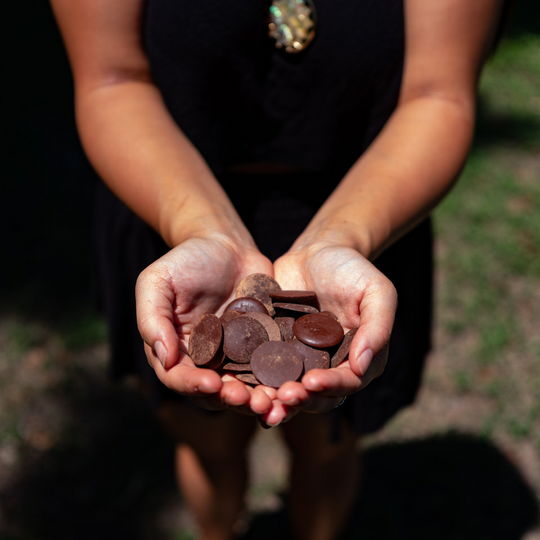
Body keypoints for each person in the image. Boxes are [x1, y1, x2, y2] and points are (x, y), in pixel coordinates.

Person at [50, 1, 508, 539]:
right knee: (207, 446)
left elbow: (439, 97)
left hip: (369, 210)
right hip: (171, 208)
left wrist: (341, 237)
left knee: (330, 447)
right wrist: (204, 230)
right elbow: (112, 81)